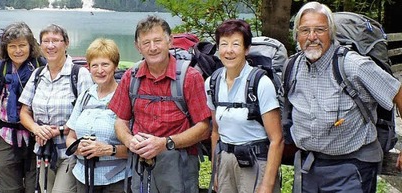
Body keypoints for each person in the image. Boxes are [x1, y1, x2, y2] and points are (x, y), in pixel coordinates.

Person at [286, 2, 402, 192]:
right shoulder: (293, 67)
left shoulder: (353, 65)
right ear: (297, 35)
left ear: (330, 33)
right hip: (309, 169)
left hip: (351, 169)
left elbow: (397, 91)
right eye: (305, 30)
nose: (312, 37)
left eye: (319, 30)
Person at [108, 15, 211, 193]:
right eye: (146, 43)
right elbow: (120, 121)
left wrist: (166, 143)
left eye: (158, 41)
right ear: (138, 47)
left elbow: (204, 128)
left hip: (179, 164)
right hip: (140, 165)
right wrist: (129, 141)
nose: (153, 48)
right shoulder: (131, 76)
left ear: (170, 41)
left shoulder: (190, 77)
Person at [205, 19, 282, 193]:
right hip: (225, 161)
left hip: (256, 162)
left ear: (246, 49)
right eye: (224, 44)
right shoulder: (212, 83)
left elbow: (277, 139)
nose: (229, 50)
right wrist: (215, 171)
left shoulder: (260, 83)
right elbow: (215, 131)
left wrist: (267, 185)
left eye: (236, 44)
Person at [18, 24, 93, 193]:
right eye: (46, 41)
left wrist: (59, 130)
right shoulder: (37, 75)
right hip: (44, 151)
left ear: (66, 43)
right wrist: (36, 129)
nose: (50, 46)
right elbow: (24, 112)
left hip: (71, 152)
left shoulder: (79, 75)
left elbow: (88, 116)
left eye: (55, 40)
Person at [0, 21, 41, 193]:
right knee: (8, 188)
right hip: (6, 136)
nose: (18, 50)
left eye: (22, 45)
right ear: (5, 48)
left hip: (35, 138)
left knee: (34, 187)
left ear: (31, 46)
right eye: (12, 46)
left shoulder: (40, 68)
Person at [65, 38, 129, 193]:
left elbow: (135, 146)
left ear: (115, 66)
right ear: (89, 68)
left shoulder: (125, 96)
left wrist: (109, 150)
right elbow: (70, 136)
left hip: (117, 180)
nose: (100, 70)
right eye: (95, 65)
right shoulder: (85, 96)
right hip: (84, 177)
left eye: (105, 64)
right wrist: (77, 148)